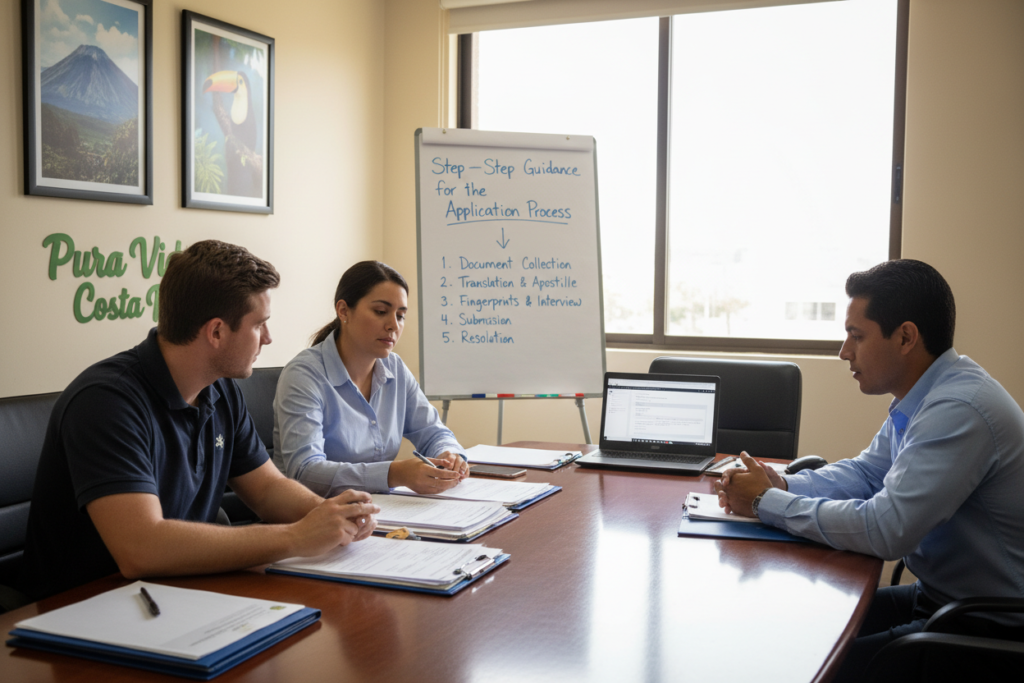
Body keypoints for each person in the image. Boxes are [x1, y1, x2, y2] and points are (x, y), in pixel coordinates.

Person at [715, 259, 1024, 680]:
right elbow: (866, 474)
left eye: (856, 336)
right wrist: (782, 482)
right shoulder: (926, 396)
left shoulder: (959, 408)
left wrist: (766, 502)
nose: (844, 352)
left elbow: (885, 529)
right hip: (942, 600)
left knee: (812, 667)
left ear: (906, 337)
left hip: (991, 630)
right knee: (803, 630)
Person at [20, 240, 379, 601]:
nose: (268, 339)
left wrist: (332, 516)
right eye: (259, 325)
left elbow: (268, 490)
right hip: (84, 608)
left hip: (180, 591)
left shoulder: (220, 390)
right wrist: (296, 537)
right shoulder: (106, 402)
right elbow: (140, 549)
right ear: (217, 332)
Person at [273, 261, 469, 496]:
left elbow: (434, 432)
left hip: (378, 512)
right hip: (314, 516)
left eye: (401, 315)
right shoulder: (303, 375)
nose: (393, 326)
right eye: (380, 312)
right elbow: (305, 471)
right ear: (344, 310)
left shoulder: (394, 367)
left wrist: (450, 455)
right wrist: (394, 474)